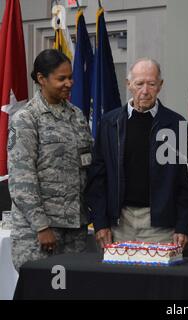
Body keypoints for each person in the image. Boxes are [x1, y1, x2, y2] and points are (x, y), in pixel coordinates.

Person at [87, 58, 188, 250]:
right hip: (118, 223)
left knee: (158, 281)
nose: (145, 91)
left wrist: (183, 225)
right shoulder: (110, 123)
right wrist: (100, 222)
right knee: (120, 280)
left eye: (151, 84)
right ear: (129, 85)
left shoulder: (174, 124)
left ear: (160, 85)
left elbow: (185, 181)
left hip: (161, 227)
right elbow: (97, 178)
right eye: (139, 84)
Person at [7, 49, 92, 271]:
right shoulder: (26, 118)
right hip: (39, 233)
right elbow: (21, 180)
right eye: (61, 78)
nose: (69, 83)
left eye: (70, 77)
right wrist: (41, 227)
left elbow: (87, 166)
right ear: (41, 79)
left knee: (73, 291)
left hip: (75, 228)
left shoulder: (77, 115)